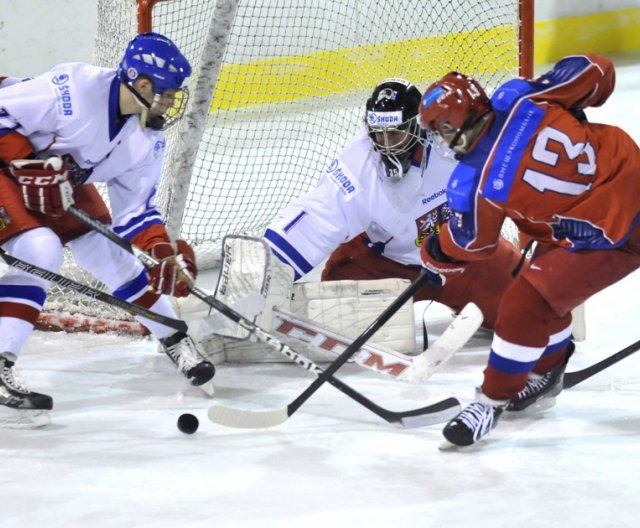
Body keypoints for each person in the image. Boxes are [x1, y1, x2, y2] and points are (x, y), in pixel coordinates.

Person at [418, 53, 640, 447]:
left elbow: (476, 244)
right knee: (542, 288)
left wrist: (435, 250)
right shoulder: (520, 96)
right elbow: (597, 70)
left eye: (441, 129)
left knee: (526, 302)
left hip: (608, 234)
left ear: (457, 122)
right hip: (624, 178)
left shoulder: (472, 181)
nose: (440, 139)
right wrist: (575, 104)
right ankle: (546, 370)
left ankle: (490, 402)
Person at [0, 32, 216, 429]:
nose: (170, 103)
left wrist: (164, 253)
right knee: (40, 250)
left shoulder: (146, 139)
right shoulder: (72, 90)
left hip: (54, 175)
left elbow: (135, 213)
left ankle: (171, 334)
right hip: (6, 163)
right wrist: (25, 162)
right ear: (143, 84)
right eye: (167, 93)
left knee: (107, 250)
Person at [264, 78, 522, 335]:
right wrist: (264, 277)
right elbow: (317, 218)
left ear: (418, 126)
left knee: (526, 311)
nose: (386, 144)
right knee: (334, 318)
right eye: (378, 133)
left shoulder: (454, 139)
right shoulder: (359, 163)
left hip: (463, 258)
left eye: (395, 133)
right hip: (383, 264)